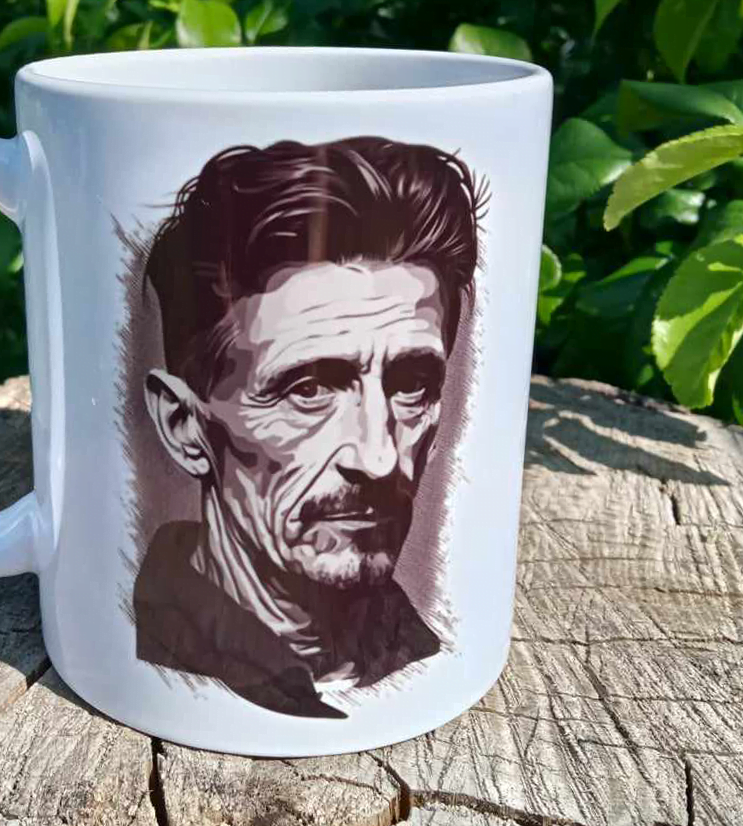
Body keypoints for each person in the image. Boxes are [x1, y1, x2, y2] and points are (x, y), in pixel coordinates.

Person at [132, 137, 486, 717]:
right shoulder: (142, 651)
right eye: (309, 390)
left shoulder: (425, 654)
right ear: (184, 426)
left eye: (412, 385)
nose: (378, 458)